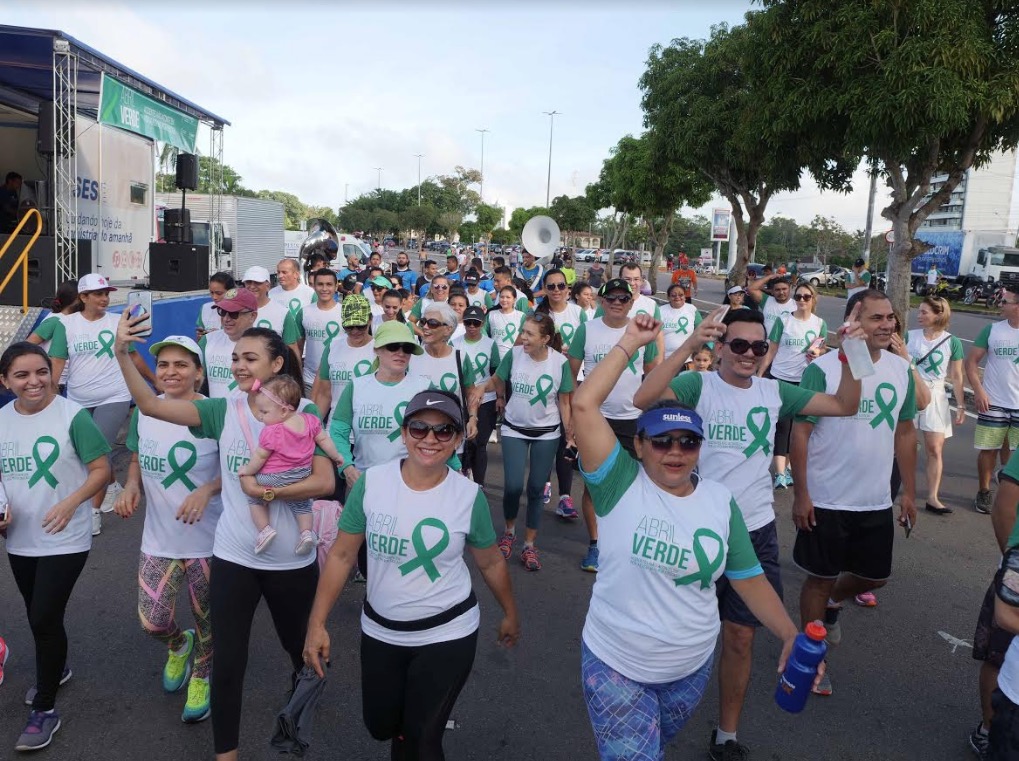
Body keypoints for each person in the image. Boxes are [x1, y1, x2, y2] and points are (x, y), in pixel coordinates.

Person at [571, 315, 809, 761]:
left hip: (689, 671)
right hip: (616, 665)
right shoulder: (617, 483)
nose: (675, 452)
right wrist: (629, 343)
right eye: (662, 442)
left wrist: (789, 634)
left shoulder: (720, 502)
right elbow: (584, 404)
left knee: (654, 743)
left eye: (688, 441)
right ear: (639, 445)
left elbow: (749, 577)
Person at [635, 306, 863, 757]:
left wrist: (853, 353)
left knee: (740, 636)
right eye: (737, 345)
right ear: (720, 348)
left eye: (758, 347)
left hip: (754, 531)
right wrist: (687, 344)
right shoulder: (697, 384)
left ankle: (727, 735)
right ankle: (646, 718)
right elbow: (644, 399)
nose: (748, 354)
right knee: (672, 631)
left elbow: (845, 405)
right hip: (694, 529)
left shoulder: (775, 392)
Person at [113, 321, 333, 761]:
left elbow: (325, 481)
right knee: (229, 660)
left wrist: (267, 491)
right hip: (234, 556)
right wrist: (122, 354)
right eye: (235, 357)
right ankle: (225, 755)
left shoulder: (304, 413)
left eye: (249, 357)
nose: (238, 364)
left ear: (276, 363)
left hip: (291, 562)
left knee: (301, 655)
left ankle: (295, 729)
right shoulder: (223, 409)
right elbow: (150, 407)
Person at [304, 389, 520, 760]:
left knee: (422, 736)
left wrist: (510, 613)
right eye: (419, 428)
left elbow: (490, 562)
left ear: (456, 440)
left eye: (443, 431)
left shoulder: (468, 497)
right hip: (381, 630)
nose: (430, 440)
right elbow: (341, 555)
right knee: (382, 726)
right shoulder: (371, 485)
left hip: (447, 632)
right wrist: (317, 623)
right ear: (403, 434)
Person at [792, 290, 918, 697]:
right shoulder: (824, 369)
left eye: (890, 318)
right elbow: (801, 431)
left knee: (875, 576)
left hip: (875, 499)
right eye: (876, 318)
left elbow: (905, 431)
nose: (886, 325)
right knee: (818, 578)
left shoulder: (901, 371)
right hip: (827, 499)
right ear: (854, 322)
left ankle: (831, 604)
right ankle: (813, 660)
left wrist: (909, 493)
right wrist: (801, 493)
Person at [0, 342, 111, 752]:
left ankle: (45, 708)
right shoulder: (1, 420)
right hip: (20, 537)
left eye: (41, 372)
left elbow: (101, 469)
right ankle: (56, 666)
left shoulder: (72, 416)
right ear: (5, 382)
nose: (34, 382)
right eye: (22, 375)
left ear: (53, 373)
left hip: (66, 535)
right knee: (36, 615)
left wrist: (71, 501)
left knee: (45, 615)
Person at [114, 335, 222, 724]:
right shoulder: (147, 411)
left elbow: (241, 467)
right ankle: (179, 645)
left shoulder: (214, 414)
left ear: (199, 372)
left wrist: (208, 490)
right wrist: (130, 485)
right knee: (152, 620)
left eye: (181, 365)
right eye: (164, 365)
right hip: (158, 540)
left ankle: (202, 674)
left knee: (208, 619)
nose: (171, 372)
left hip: (208, 542)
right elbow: (138, 455)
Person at [41, 273, 156, 536]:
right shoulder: (66, 325)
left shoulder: (118, 322)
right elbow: (57, 362)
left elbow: (133, 356)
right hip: (79, 399)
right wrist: (49, 398)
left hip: (114, 395)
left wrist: (153, 381)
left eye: (106, 293)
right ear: (83, 297)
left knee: (98, 453)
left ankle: (92, 513)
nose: (105, 299)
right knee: (84, 453)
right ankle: (111, 485)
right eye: (98, 294)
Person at [568, 278, 660, 572]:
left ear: (632, 302)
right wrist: (572, 417)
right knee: (594, 487)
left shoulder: (642, 331)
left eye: (623, 299)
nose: (617, 303)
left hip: (632, 419)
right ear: (601, 300)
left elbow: (652, 375)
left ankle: (626, 543)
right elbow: (571, 374)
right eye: (611, 298)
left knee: (635, 486)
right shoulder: (587, 329)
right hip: (597, 419)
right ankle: (596, 544)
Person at [493, 314, 574, 571]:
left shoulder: (560, 363)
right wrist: (477, 390)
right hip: (514, 428)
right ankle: (509, 532)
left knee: (537, 489)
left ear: (546, 339)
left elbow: (565, 401)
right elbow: (496, 380)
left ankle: (529, 545)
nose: (523, 338)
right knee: (514, 486)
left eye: (529, 334)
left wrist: (570, 436)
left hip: (547, 432)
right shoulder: (514, 355)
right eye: (523, 332)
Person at [239, 375, 345, 554]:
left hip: (273, 477)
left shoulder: (273, 431)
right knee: (302, 505)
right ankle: (306, 534)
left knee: (254, 498)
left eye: (264, 412)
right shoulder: (310, 421)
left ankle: (265, 530)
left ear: (282, 411)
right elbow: (325, 441)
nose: (260, 417)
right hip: (301, 475)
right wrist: (337, 457)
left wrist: (247, 471)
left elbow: (259, 458)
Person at [759, 281, 828, 489]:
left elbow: (822, 348)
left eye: (806, 297)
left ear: (813, 299)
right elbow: (771, 350)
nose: (801, 301)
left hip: (805, 379)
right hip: (781, 377)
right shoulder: (784, 320)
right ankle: (780, 472)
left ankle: (787, 466)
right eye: (798, 297)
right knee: (783, 426)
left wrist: (818, 352)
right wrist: (761, 374)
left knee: (799, 427)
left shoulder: (819, 323)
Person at [908, 296, 966, 514]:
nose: (919, 315)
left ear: (939, 315)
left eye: (924, 312)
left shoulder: (952, 342)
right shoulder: (910, 336)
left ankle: (932, 497)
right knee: (902, 445)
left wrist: (960, 406)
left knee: (934, 448)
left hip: (937, 396)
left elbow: (957, 376)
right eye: (919, 311)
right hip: (910, 393)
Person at [535, 269, 585, 519]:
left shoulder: (578, 313)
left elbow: (588, 344)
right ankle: (544, 481)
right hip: (545, 382)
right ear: (545, 288)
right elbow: (528, 345)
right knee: (547, 435)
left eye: (560, 286)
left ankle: (565, 497)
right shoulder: (538, 315)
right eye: (551, 286)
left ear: (568, 288)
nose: (556, 290)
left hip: (573, 381)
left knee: (569, 435)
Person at [966, 285, 1019, 514]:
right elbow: (971, 362)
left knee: (1012, 448)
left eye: (1005, 301)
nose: (1001, 304)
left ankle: (1006, 482)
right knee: (989, 449)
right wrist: (979, 391)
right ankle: (984, 491)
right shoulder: (992, 330)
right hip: (993, 401)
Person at [410, 303, 480, 438]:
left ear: (448, 329)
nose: (425, 327)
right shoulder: (412, 356)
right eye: (423, 322)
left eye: (433, 323)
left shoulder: (461, 357)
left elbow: (471, 393)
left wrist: (472, 418)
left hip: (451, 435)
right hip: (418, 436)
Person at [451, 305, 500, 486]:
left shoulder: (490, 344)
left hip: (485, 399)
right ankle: (463, 475)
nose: (472, 326)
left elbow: (496, 373)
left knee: (479, 443)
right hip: (462, 401)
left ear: (482, 324)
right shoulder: (455, 343)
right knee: (463, 443)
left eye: (476, 323)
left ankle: (479, 483)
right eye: (468, 322)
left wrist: (500, 397)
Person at [310, 294, 374, 419]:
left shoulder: (380, 349)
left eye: (360, 326)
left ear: (370, 320)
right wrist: (314, 429)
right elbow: (325, 393)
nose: (355, 331)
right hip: (336, 425)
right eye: (349, 327)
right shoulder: (333, 346)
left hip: (367, 426)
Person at [241, 266, 303, 374]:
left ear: (268, 286)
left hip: (272, 379)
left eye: (257, 283)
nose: (252, 286)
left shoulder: (282, 313)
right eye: (248, 282)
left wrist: (297, 379)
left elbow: (292, 349)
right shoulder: (235, 312)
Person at [198, 287, 258, 399]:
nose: (226, 319)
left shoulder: (265, 345)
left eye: (233, 313)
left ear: (252, 316)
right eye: (222, 312)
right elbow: (196, 383)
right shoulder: (207, 341)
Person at [26, 280, 82, 391]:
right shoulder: (54, 320)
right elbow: (27, 345)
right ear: (75, 298)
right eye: (83, 296)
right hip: (56, 383)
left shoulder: (74, 319)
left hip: (69, 382)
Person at [295, 268, 342, 393]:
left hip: (338, 381)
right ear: (314, 286)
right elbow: (298, 348)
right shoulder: (304, 312)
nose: (324, 289)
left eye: (329, 284)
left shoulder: (344, 313)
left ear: (336, 286)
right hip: (309, 381)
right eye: (320, 284)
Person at [660, 283, 703, 360]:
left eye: (681, 295)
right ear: (668, 297)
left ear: (685, 297)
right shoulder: (660, 311)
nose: (677, 297)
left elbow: (701, 330)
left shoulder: (692, 309)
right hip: (665, 358)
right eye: (673, 295)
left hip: (687, 358)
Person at [748, 272, 796, 336]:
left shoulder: (796, 305)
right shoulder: (766, 300)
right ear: (772, 291)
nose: (781, 292)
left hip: (786, 344)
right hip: (767, 344)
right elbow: (751, 289)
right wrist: (770, 276)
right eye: (777, 290)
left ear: (789, 289)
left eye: (784, 289)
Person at [486, 285, 528, 359]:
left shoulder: (521, 316)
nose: (504, 300)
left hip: (514, 358)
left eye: (508, 297)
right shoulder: (491, 314)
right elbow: (484, 333)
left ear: (514, 299)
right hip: (493, 358)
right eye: (502, 297)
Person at [195, 272, 236, 340]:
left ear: (231, 292)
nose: (214, 297)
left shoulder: (240, 312)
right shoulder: (205, 308)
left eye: (219, 293)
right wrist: (201, 337)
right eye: (211, 293)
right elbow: (200, 338)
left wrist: (218, 335)